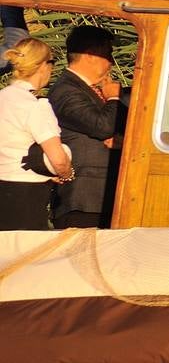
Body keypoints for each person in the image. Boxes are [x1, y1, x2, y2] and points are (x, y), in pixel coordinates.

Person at [48, 26, 126, 229]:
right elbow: (102, 127)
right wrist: (113, 97)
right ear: (90, 55)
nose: (111, 62)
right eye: (107, 54)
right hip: (84, 200)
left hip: (103, 198)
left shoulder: (90, 89)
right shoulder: (66, 91)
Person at [0, 38, 73, 230]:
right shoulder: (35, 106)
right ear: (42, 66)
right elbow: (58, 159)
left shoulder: (2, 98)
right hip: (26, 194)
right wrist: (66, 173)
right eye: (52, 62)